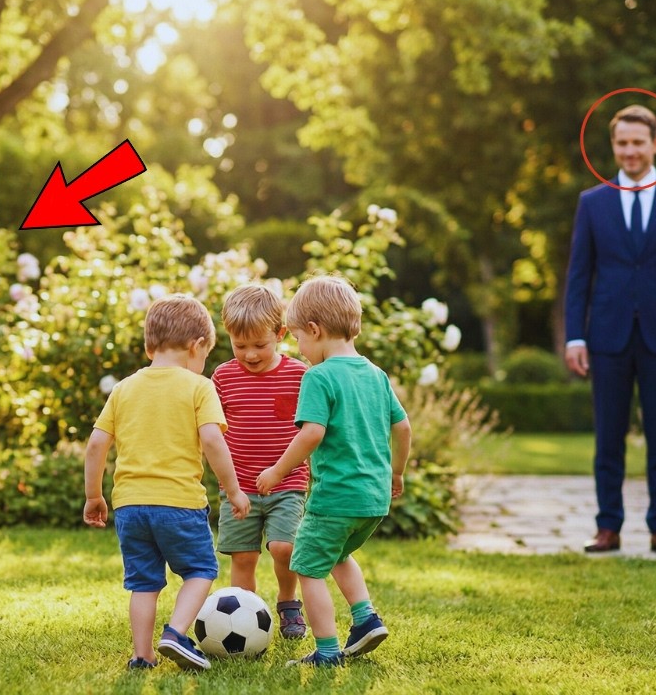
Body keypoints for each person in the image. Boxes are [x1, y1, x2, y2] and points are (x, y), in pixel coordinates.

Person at [564, 104, 656, 556]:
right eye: (622, 143)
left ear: (655, 144)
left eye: (638, 142)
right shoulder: (593, 202)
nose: (630, 151)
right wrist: (575, 336)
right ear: (613, 146)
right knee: (608, 438)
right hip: (606, 337)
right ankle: (607, 527)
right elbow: (578, 277)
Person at [82, 294, 252, 672]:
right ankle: (175, 632)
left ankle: (142, 656)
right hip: (179, 503)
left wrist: (94, 496)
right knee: (201, 570)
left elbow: (96, 445)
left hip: (130, 506)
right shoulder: (198, 386)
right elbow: (212, 441)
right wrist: (234, 490)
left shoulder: (124, 389)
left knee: (143, 583)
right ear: (196, 346)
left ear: (149, 347)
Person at [255, 275, 412, 668]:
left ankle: (326, 651)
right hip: (373, 499)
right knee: (339, 554)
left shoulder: (319, 376)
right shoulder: (375, 374)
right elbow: (403, 427)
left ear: (315, 330)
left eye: (297, 339)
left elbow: (311, 433)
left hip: (334, 498)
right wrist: (396, 473)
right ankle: (366, 619)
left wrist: (277, 471)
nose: (299, 349)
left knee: (307, 567)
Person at [211, 283, 309, 639]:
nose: (250, 355)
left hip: (288, 482)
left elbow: (310, 429)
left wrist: (282, 470)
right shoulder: (223, 377)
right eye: (240, 346)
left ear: (280, 335)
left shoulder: (299, 375)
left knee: (285, 546)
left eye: (259, 345)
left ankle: (288, 602)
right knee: (244, 556)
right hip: (238, 486)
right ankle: (243, 618)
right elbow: (212, 431)